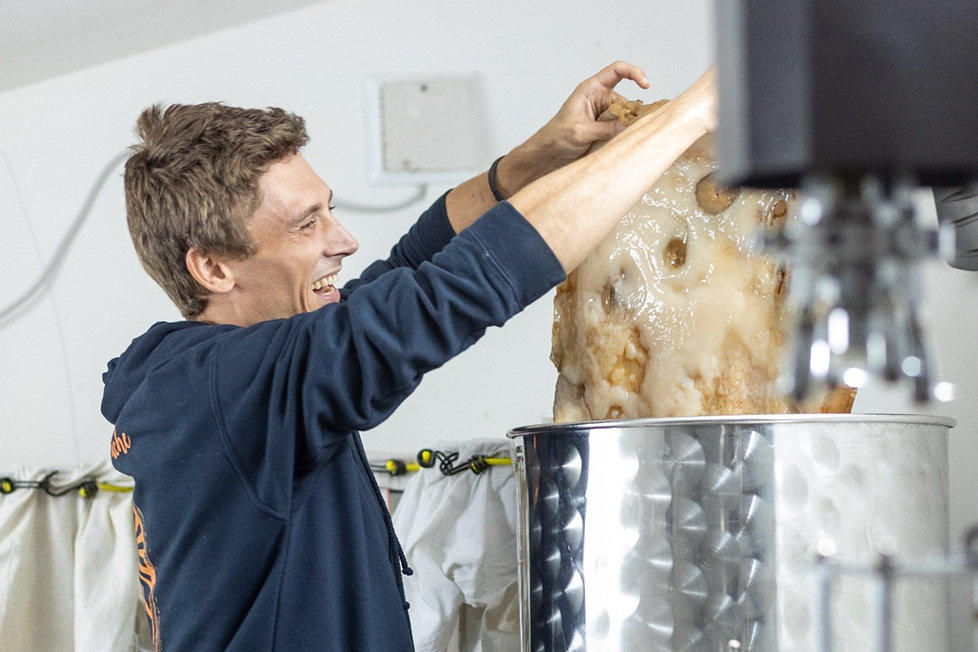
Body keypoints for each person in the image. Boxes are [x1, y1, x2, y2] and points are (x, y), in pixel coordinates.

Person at [102, 61, 716, 651]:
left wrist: (539, 157)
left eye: (330, 209)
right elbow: (441, 295)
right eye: (306, 225)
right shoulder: (225, 389)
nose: (344, 240)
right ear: (213, 266)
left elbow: (410, 265)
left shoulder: (219, 375)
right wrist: (690, 116)